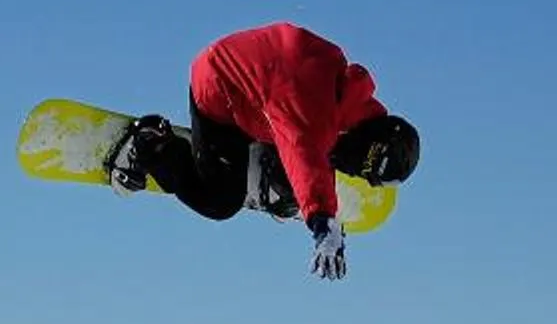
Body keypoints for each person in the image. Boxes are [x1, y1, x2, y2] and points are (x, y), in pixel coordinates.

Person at [105, 22, 420, 281]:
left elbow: (313, 143)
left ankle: (273, 171)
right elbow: (305, 150)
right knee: (218, 200)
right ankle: (150, 146)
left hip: (261, 100)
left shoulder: (346, 105)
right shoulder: (313, 108)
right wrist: (322, 220)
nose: (357, 174)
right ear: (370, 144)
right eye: (364, 168)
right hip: (221, 90)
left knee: (309, 165)